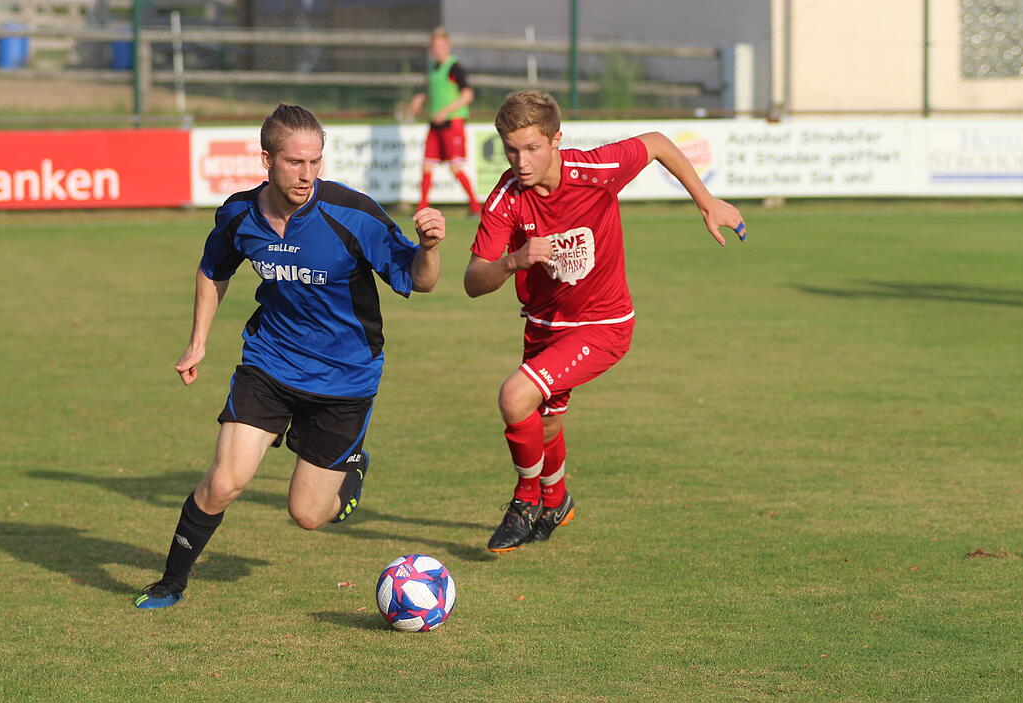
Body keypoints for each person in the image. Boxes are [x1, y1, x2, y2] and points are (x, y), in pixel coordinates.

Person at [134, 103, 446, 608]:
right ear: (267, 160)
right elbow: (214, 268)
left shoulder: (352, 213)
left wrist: (429, 247)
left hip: (344, 380)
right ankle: (170, 582)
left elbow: (421, 280)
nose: (307, 175)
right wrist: (198, 340)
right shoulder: (240, 213)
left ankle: (353, 467)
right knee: (223, 483)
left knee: (307, 514)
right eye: (294, 163)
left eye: (315, 162)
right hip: (270, 363)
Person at [465, 90, 747, 553]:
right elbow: (474, 280)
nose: (521, 160)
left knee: (514, 396)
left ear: (557, 140)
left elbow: (656, 142)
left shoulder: (594, 171)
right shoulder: (506, 198)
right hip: (544, 327)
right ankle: (555, 501)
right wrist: (513, 261)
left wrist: (705, 200)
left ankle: (525, 500)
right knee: (544, 425)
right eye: (511, 150)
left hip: (604, 324)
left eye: (532, 148)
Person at [407, 26, 482, 215]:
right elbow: (433, 89)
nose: (437, 49)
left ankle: (475, 206)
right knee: (427, 164)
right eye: (434, 46)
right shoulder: (433, 68)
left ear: (448, 46)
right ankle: (422, 207)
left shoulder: (455, 67)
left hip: (452, 123)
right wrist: (420, 98)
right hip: (435, 123)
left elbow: (468, 95)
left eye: (441, 45)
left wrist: (445, 111)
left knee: (455, 167)